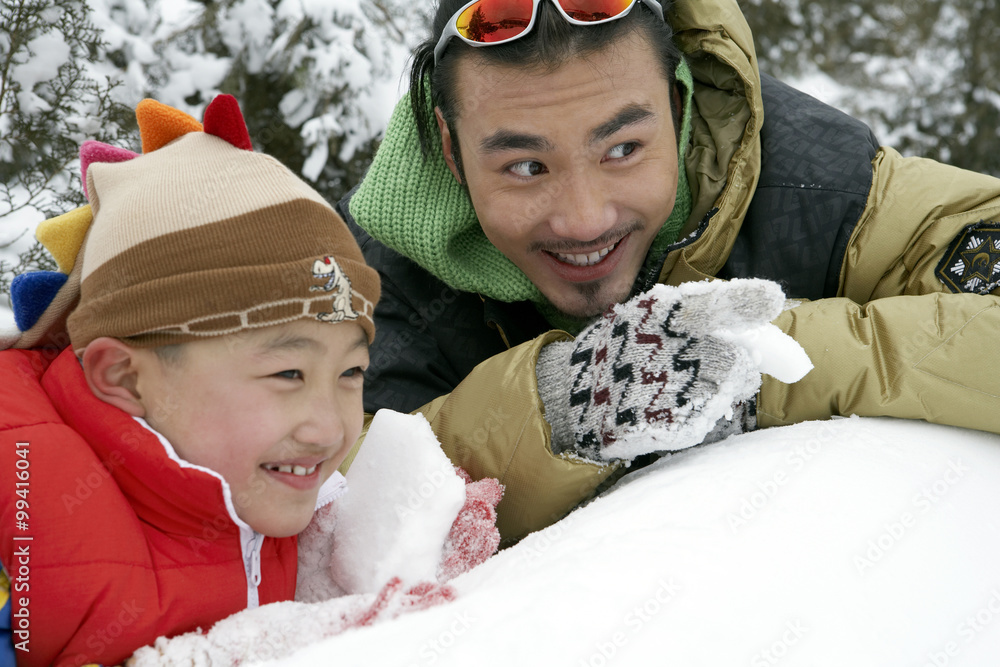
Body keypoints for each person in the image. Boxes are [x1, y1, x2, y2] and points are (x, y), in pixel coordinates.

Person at [339, 0, 1000, 543]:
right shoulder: (366, 282)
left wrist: (753, 366)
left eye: (623, 148)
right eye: (525, 167)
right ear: (451, 152)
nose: (584, 218)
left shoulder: (819, 183)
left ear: (681, 110)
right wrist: (570, 406)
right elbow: (325, 512)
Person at [0, 94, 471, 666]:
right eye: (287, 372)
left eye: (350, 372)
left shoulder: (257, 484)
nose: (327, 428)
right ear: (124, 375)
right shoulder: (19, 512)